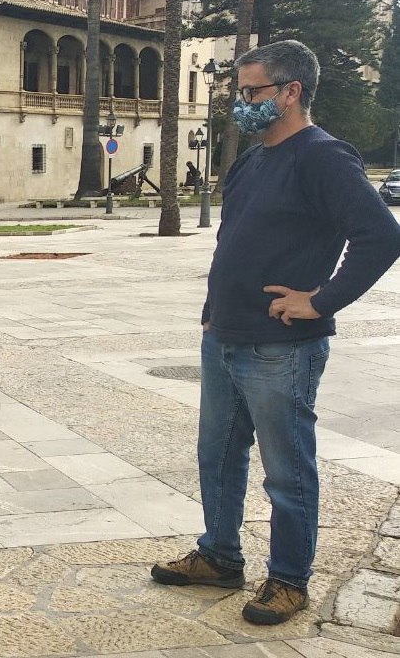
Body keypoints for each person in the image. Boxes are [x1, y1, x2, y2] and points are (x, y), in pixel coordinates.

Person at [151, 41, 400, 625]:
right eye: (239, 93)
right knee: (216, 456)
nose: (242, 104)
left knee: (287, 471)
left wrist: (322, 301)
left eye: (252, 92)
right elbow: (232, 238)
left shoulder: (323, 157)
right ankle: (219, 555)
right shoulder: (252, 158)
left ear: (290, 92)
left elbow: (381, 237)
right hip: (225, 338)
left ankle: (289, 580)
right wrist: (214, 307)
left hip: (280, 348)